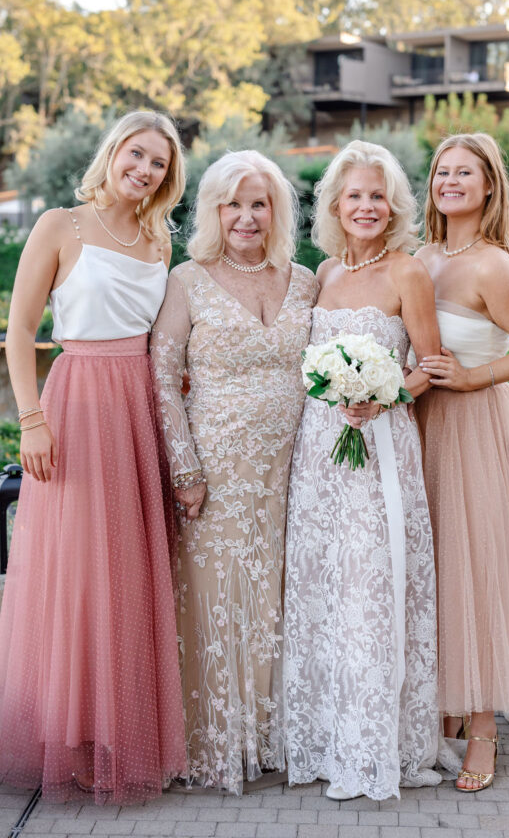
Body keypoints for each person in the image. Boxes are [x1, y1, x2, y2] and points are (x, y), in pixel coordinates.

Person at [0, 110, 187, 804]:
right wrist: (31, 420)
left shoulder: (159, 239)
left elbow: (162, 339)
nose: (145, 170)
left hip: (139, 406)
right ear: (112, 151)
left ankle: (117, 735)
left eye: (159, 164)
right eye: (137, 154)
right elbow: (19, 331)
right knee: (76, 570)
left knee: (127, 571)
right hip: (77, 402)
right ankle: (67, 737)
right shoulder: (59, 226)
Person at [283, 140, 450, 802]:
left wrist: (384, 395)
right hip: (319, 450)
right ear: (334, 204)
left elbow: (430, 365)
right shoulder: (322, 273)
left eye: (377, 195)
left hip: (380, 445)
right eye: (354, 194)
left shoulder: (408, 271)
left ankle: (376, 744)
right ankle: (328, 740)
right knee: (325, 587)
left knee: (371, 586)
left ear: (394, 205)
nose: (366, 206)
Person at [151, 150, 317, 794]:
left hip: (292, 471)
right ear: (213, 211)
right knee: (216, 602)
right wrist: (184, 468)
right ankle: (212, 743)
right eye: (233, 205)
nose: (246, 217)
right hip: (215, 472)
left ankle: (269, 737)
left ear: (276, 212)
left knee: (276, 601)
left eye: (259, 204)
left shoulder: (305, 282)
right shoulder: (187, 280)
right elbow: (163, 378)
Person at [414, 132, 509, 792]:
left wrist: (473, 378)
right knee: (436, 565)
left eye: (464, 173)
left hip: (474, 425)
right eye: (441, 171)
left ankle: (482, 727)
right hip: (421, 425)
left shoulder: (492, 265)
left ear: (489, 186)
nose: (449, 181)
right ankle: (443, 707)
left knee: (476, 566)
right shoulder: (422, 256)